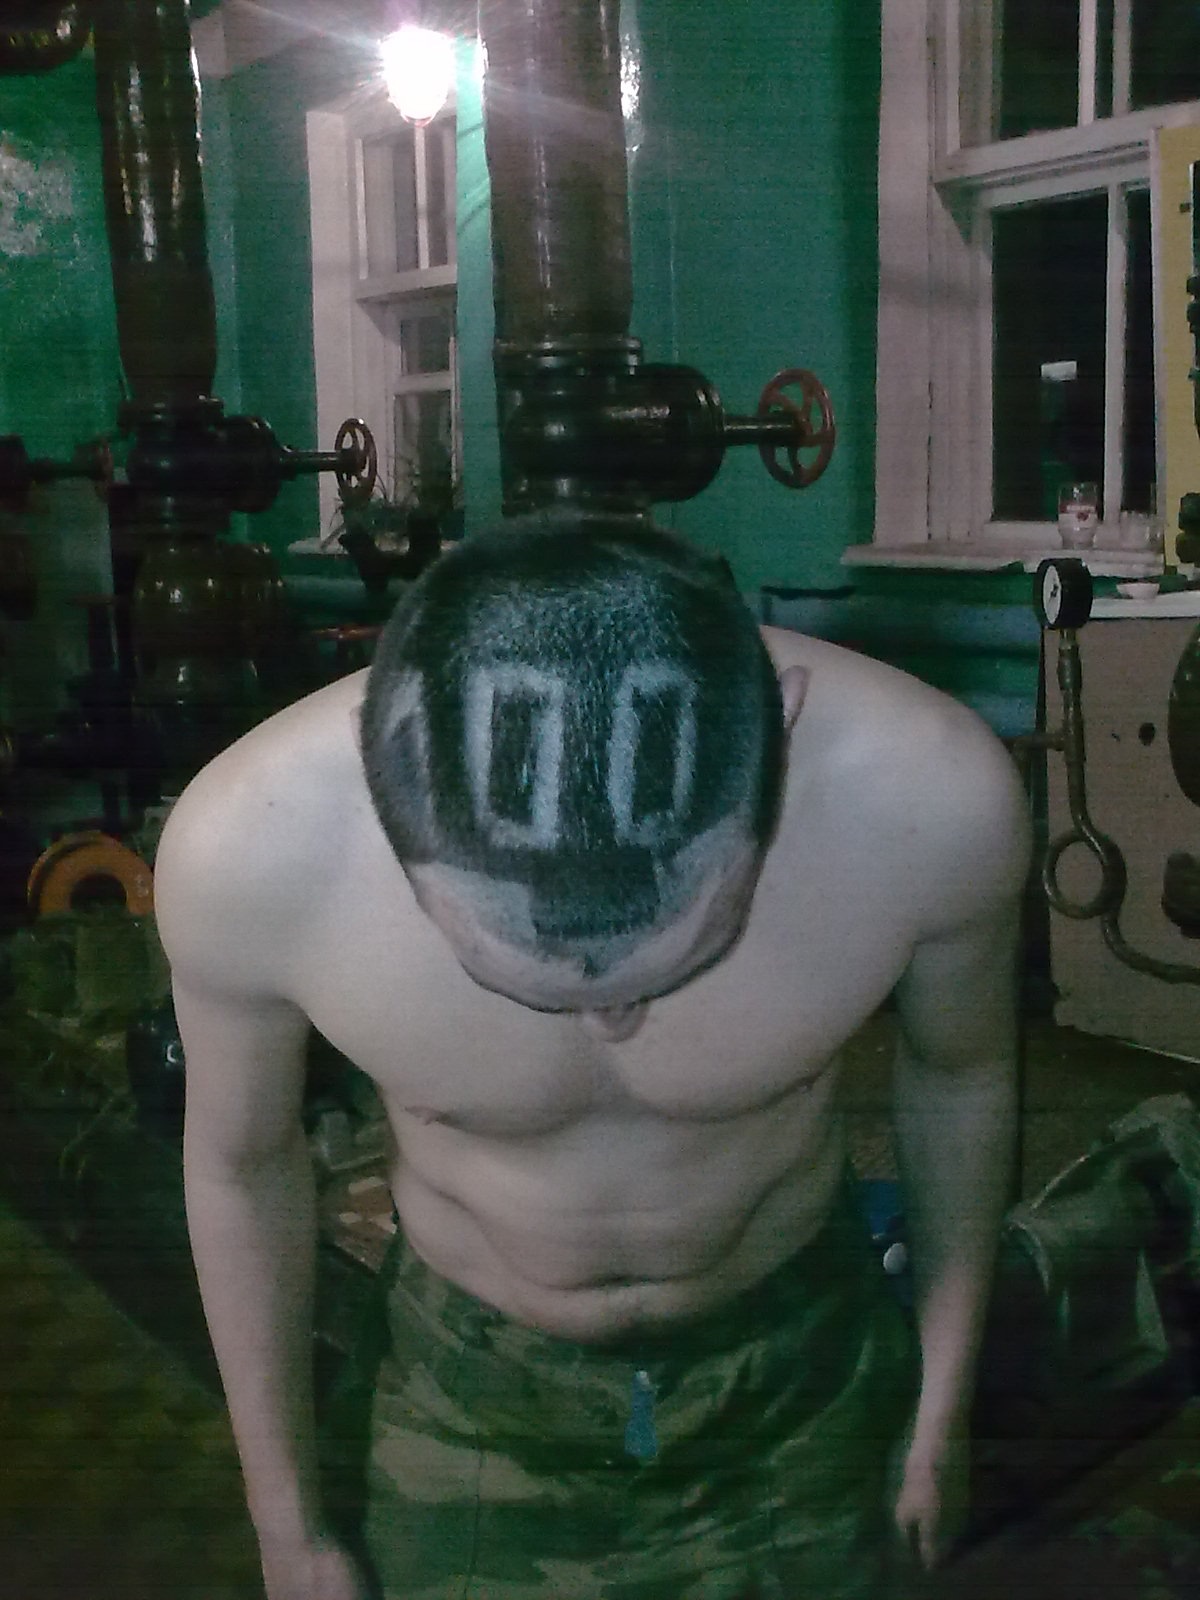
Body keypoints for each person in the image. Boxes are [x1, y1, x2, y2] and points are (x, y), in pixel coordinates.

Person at [153, 511, 1030, 1600]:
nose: (610, 1024)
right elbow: (240, 1166)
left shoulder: (933, 803)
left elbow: (960, 1077)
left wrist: (945, 1405)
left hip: (802, 1363)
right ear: (388, 802)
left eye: (656, 970)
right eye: (533, 981)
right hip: (467, 1391)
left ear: (780, 732)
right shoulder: (250, 852)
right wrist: (284, 1520)